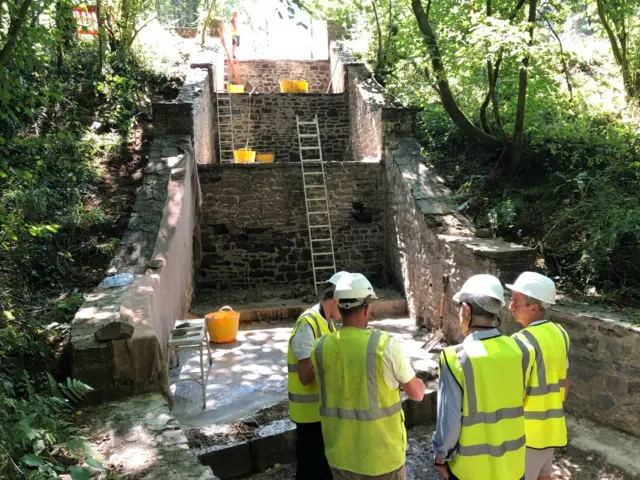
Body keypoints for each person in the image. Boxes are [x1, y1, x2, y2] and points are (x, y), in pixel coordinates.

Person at [311, 273, 425, 480]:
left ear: (340, 307)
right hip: (381, 460)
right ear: (366, 308)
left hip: (340, 458)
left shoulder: (320, 347)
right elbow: (417, 394)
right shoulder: (384, 346)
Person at [432, 274, 535, 480]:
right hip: (512, 467)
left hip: (470, 471)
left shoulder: (455, 358)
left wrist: (441, 457)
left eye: (460, 307)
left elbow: (449, 423)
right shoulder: (523, 350)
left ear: (467, 310)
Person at [507, 272, 570, 480]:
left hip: (527, 435)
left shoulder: (521, 341)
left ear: (534, 308)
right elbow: (565, 381)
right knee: (544, 476)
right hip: (551, 429)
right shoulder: (560, 333)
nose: (510, 307)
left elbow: (514, 395)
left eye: (516, 301)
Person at [287, 271, 348, 480]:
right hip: (309, 416)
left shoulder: (327, 322)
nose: (348, 310)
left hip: (321, 413)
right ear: (336, 299)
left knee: (324, 468)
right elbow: (305, 376)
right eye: (346, 304)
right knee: (310, 470)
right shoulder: (308, 324)